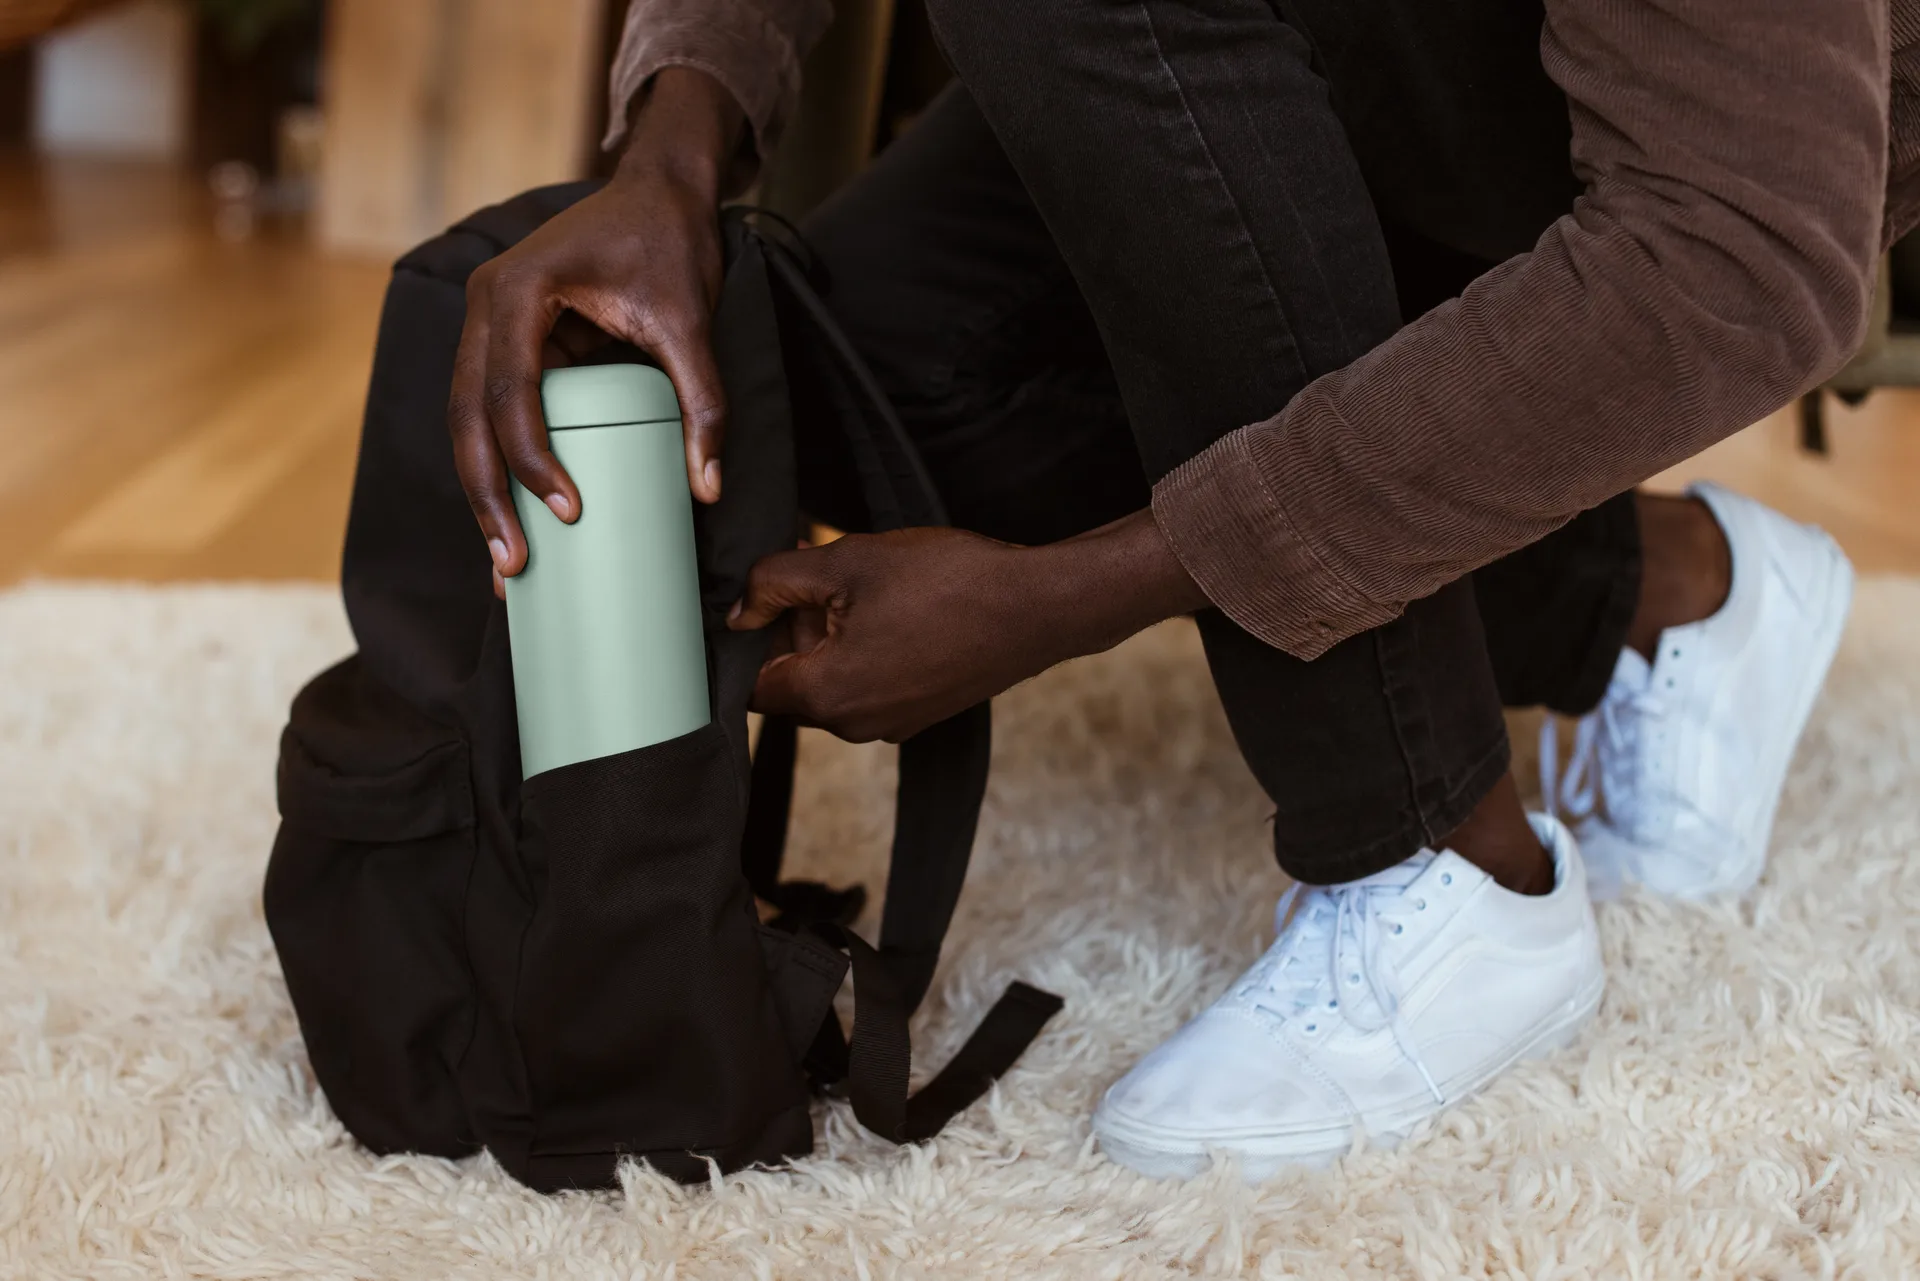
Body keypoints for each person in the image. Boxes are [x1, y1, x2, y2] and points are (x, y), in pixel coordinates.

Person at [444, 0, 1895, 1179]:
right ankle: (1660, 589)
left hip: (1648, 139)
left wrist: (1075, 597)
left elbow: (1743, 249)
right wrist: (673, 151)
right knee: (874, 371)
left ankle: (1439, 859)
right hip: (1346, 59)